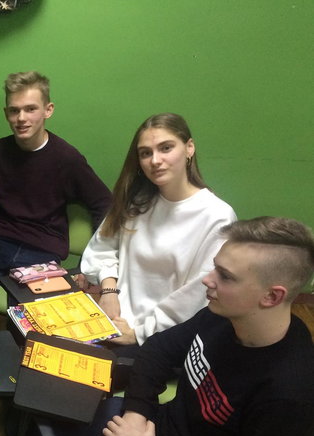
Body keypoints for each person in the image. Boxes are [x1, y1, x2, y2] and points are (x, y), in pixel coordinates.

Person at [47, 217, 314, 436]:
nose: (207, 280)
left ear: (272, 296)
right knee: (35, 412)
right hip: (157, 433)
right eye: (215, 267)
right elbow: (158, 349)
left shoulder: (292, 395)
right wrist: (136, 415)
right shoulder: (224, 314)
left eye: (225, 276)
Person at [0, 71, 112, 414]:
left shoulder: (67, 159)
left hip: (42, 253)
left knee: (27, 326)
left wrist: (94, 261)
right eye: (14, 110)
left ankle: (16, 391)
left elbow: (104, 204)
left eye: (30, 109)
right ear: (6, 113)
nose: (21, 118)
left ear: (48, 110)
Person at [78, 113, 236, 386]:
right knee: (43, 349)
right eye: (145, 153)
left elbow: (196, 298)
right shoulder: (137, 201)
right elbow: (102, 247)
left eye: (166, 148)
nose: (155, 160)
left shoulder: (217, 217)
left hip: (161, 337)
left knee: (76, 379)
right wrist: (109, 290)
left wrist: (138, 333)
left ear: (189, 148)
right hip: (112, 319)